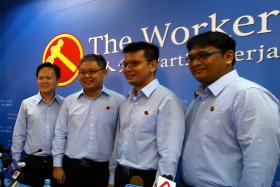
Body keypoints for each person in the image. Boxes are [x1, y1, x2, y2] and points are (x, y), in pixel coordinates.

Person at [180, 31, 280, 187]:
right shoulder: (199, 99)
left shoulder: (248, 95)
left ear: (228, 57)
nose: (195, 63)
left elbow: (260, 164)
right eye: (191, 58)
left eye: (204, 55)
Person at [108, 42, 185, 187]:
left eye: (135, 63)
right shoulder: (126, 101)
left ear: (152, 65)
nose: (128, 69)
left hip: (148, 179)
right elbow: (118, 142)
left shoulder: (168, 100)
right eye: (125, 64)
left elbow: (170, 155)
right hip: (120, 175)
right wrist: (112, 179)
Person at [52, 54, 124, 187]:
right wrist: (57, 165)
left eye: (92, 71)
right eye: (82, 72)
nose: (87, 76)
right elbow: (60, 134)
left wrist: (112, 178)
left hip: (103, 170)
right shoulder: (69, 102)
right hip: (72, 168)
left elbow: (120, 141)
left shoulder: (119, 102)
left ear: (104, 72)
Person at [11, 62, 64, 187]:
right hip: (32, 163)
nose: (44, 81)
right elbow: (18, 135)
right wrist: (14, 165)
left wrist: (60, 164)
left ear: (58, 81)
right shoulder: (26, 104)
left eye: (48, 78)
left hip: (57, 164)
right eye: (41, 78)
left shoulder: (65, 104)